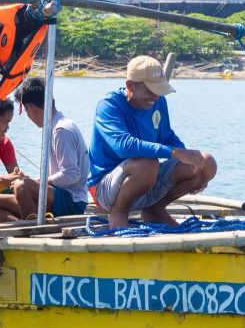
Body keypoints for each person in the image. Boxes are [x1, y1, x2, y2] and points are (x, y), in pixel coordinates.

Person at [88, 55, 217, 229]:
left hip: (146, 181)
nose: (155, 96)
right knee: (148, 164)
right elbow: (124, 146)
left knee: (206, 162)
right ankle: (119, 212)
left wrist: (192, 163)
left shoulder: (158, 101)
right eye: (150, 91)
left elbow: (167, 136)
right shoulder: (109, 106)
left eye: (158, 91)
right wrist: (174, 153)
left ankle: (155, 209)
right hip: (106, 189)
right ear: (130, 85)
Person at [0, 77, 90, 221]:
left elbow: (72, 175)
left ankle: (35, 229)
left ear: (30, 107)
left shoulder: (61, 130)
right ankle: (26, 227)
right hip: (56, 196)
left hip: (72, 200)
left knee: (22, 186)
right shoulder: (54, 127)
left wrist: (37, 182)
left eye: (26, 111)